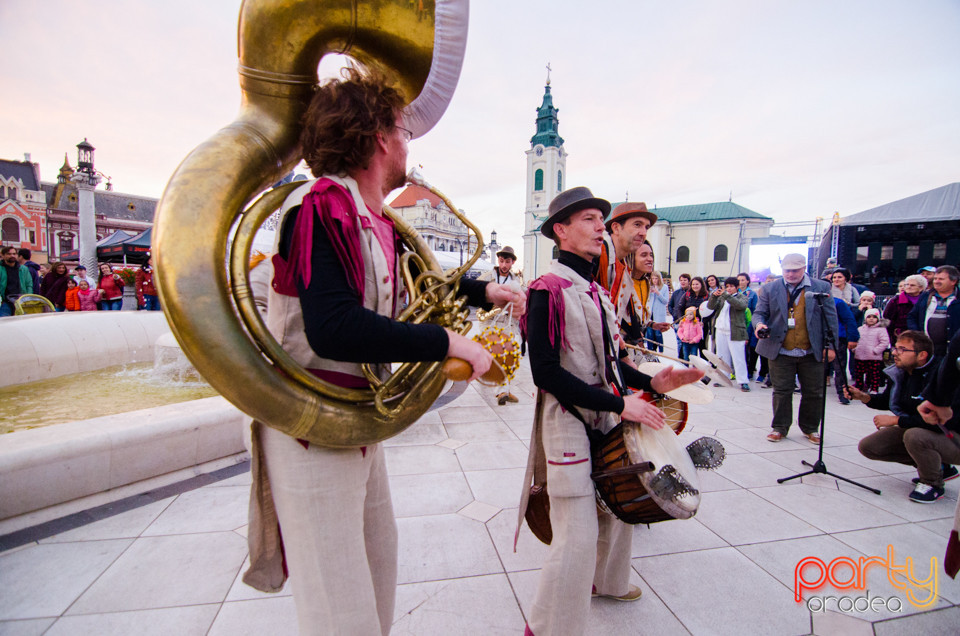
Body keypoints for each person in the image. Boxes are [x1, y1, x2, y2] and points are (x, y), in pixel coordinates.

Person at [240, 66, 523, 635]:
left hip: (353, 423)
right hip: (310, 425)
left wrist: (485, 289)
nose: (408, 145)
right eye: (403, 131)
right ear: (376, 136)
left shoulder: (376, 218)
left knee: (376, 574)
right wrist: (446, 339)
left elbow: (425, 282)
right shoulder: (322, 204)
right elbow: (334, 327)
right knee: (338, 606)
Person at [518, 186, 701, 636]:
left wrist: (652, 382)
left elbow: (613, 361)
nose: (601, 227)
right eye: (588, 220)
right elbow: (545, 373)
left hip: (606, 419)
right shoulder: (547, 290)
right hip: (566, 426)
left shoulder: (597, 292)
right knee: (576, 539)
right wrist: (621, 404)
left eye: (602, 219)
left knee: (618, 511)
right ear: (560, 231)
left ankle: (608, 582)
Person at [850, 331, 959, 503]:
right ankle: (939, 466)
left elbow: (941, 420)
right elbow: (889, 400)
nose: (894, 353)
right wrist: (864, 397)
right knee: (869, 446)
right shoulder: (903, 372)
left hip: (953, 437)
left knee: (914, 436)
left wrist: (896, 421)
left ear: (922, 355)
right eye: (895, 348)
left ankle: (932, 483)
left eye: (902, 349)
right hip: (924, 430)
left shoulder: (943, 377)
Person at [753, 253, 838, 443]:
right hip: (780, 348)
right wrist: (759, 325)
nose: (790, 274)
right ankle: (780, 427)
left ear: (804, 269)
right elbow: (759, 313)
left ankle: (810, 427)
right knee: (781, 391)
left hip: (811, 349)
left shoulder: (821, 287)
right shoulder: (770, 288)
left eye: (795, 270)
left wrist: (831, 346)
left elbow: (831, 319)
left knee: (814, 391)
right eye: (787, 270)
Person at [595, 201, 656, 333]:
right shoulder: (597, 256)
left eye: (646, 227)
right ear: (616, 228)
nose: (643, 232)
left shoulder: (623, 267)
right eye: (637, 225)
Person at [707, 276, 751, 391]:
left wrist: (726, 295)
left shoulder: (742, 297)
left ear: (737, 287)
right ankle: (723, 378)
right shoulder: (722, 298)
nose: (729, 289)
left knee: (738, 357)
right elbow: (710, 306)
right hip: (721, 330)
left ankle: (743, 381)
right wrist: (714, 296)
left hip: (735, 331)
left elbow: (740, 305)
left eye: (731, 286)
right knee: (722, 357)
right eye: (727, 287)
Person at [907, 265, 959, 359]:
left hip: (952, 349)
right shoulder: (926, 296)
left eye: (941, 279)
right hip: (927, 348)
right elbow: (912, 316)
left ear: (953, 281)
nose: (936, 281)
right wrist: (917, 334)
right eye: (935, 278)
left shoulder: (958, 299)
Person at [853, 308, 890, 393]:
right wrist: (855, 349)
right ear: (865, 318)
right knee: (859, 373)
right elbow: (855, 339)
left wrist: (876, 351)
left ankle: (874, 388)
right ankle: (859, 386)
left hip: (873, 357)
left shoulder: (881, 330)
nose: (871, 318)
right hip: (860, 356)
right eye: (869, 316)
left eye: (874, 317)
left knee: (874, 374)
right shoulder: (860, 329)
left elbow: (885, 342)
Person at [831, 296, 860, 405]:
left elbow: (849, 319)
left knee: (840, 367)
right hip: (816, 337)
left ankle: (843, 392)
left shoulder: (838, 302)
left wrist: (853, 337)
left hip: (838, 337)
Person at [883, 274, 926, 342]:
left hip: (922, 337)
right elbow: (887, 319)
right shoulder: (895, 301)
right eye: (907, 284)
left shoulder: (927, 300)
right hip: (900, 337)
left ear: (921, 288)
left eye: (912, 285)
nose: (908, 287)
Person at [1, 245, 34, 317]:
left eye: (14, 254)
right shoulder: (1, 268)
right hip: (5, 302)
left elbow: (29, 284)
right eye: (9, 254)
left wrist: (28, 298)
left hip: (21, 301)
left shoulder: (23, 269)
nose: (12, 256)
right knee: (4, 324)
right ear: (2, 255)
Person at [738, 272, 759, 380]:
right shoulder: (735, 293)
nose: (741, 282)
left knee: (750, 348)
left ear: (747, 281)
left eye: (743, 280)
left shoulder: (752, 294)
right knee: (740, 349)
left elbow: (756, 310)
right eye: (739, 280)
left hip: (749, 324)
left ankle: (750, 370)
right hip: (737, 323)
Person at [643, 269, 671, 353]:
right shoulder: (649, 286)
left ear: (659, 279)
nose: (654, 280)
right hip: (650, 313)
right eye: (653, 278)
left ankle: (661, 351)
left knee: (658, 333)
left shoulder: (664, 287)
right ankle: (650, 350)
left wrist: (658, 293)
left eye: (656, 278)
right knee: (649, 334)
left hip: (658, 313)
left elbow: (665, 301)